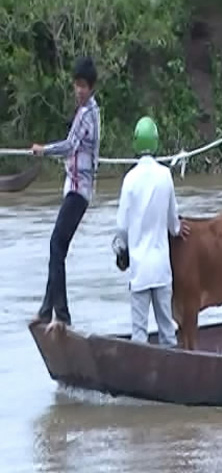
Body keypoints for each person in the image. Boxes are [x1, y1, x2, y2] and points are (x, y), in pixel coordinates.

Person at [31, 56, 101, 330]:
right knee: (57, 247)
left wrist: (43, 150)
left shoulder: (87, 114)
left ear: (91, 87)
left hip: (78, 192)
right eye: (77, 85)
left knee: (56, 246)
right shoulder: (86, 111)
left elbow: (71, 146)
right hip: (75, 190)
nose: (79, 90)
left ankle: (61, 314)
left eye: (84, 86)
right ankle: (48, 310)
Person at [112, 116, 190, 347]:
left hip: (139, 272)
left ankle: (142, 378)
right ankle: (174, 375)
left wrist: (121, 250)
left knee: (139, 335)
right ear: (156, 142)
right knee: (167, 331)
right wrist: (177, 229)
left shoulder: (129, 180)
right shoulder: (165, 175)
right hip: (161, 270)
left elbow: (122, 228)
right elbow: (172, 221)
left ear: (135, 142)